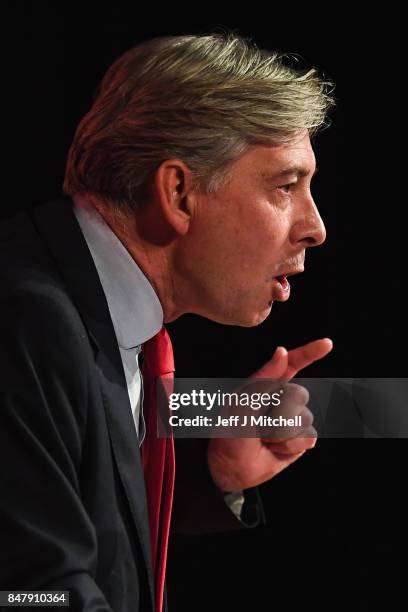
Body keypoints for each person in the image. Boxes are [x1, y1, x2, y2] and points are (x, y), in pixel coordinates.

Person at [0, 32, 335, 611]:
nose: (315, 227)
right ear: (179, 193)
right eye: (285, 186)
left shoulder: (105, 317)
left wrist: (213, 474)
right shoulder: (28, 319)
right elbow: (30, 594)